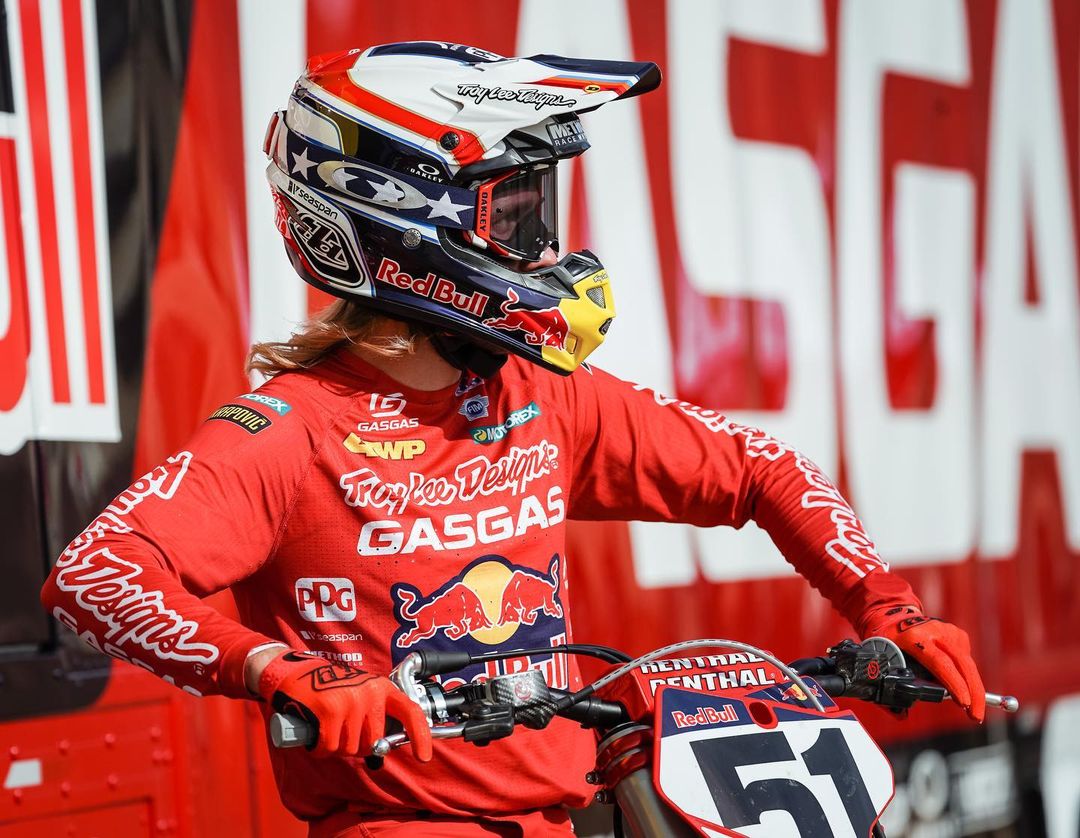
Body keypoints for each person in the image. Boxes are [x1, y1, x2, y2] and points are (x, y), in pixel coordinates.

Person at [41, 42, 985, 837]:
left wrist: (891, 612)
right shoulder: (294, 430)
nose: (545, 249)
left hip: (560, 818)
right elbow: (94, 574)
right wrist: (283, 671)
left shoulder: (536, 393)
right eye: (517, 213)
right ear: (403, 222)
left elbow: (760, 469)